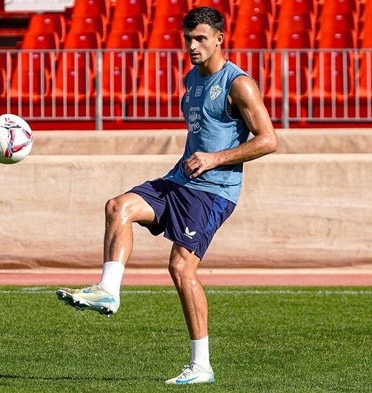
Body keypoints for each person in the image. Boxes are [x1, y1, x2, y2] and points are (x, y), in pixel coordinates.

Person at [56, 6, 277, 385]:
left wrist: (215, 158)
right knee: (118, 206)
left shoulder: (238, 84)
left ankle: (201, 365)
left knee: (180, 268)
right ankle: (108, 291)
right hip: (179, 180)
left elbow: (268, 140)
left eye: (201, 39)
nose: (192, 46)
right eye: (188, 38)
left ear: (220, 39)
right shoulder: (191, 79)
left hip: (213, 192)